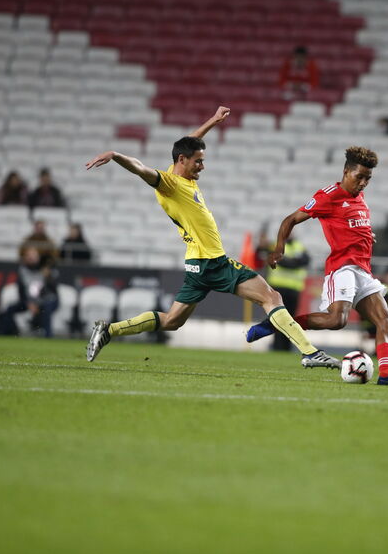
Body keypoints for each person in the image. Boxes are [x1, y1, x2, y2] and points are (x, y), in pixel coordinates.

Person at [83, 107, 339, 369]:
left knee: (172, 321)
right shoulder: (170, 184)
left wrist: (213, 121)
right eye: (198, 161)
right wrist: (116, 155)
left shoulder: (181, 170)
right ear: (182, 160)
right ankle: (310, 352)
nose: (202, 166)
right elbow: (141, 169)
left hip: (197, 264)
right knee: (271, 297)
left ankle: (108, 330)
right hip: (213, 262)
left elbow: (189, 141)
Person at [245, 146, 388, 386]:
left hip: (363, 270)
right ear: (346, 171)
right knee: (337, 320)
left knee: (387, 321)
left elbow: (352, 226)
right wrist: (279, 249)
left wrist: (366, 236)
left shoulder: (360, 197)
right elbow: (291, 219)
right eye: (359, 176)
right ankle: (276, 324)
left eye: (368, 178)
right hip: (343, 267)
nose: (363, 183)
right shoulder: (329, 195)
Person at [256, 233, 310, 353]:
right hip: (278, 289)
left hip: (293, 290)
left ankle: (285, 348)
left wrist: (285, 260)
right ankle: (278, 347)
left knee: (290, 320)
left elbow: (304, 261)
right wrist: (294, 262)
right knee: (279, 319)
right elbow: (261, 253)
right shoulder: (275, 246)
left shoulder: (299, 246)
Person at [0, 247, 60, 338]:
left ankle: (48, 336)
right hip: (29, 301)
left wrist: (48, 277)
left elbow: (52, 290)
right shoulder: (22, 270)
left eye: (33, 256)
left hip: (48, 300)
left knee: (46, 309)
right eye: (29, 256)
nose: (31, 258)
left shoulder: (46, 269)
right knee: (9, 310)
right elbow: (21, 290)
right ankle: (10, 334)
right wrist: (29, 303)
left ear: (38, 257)